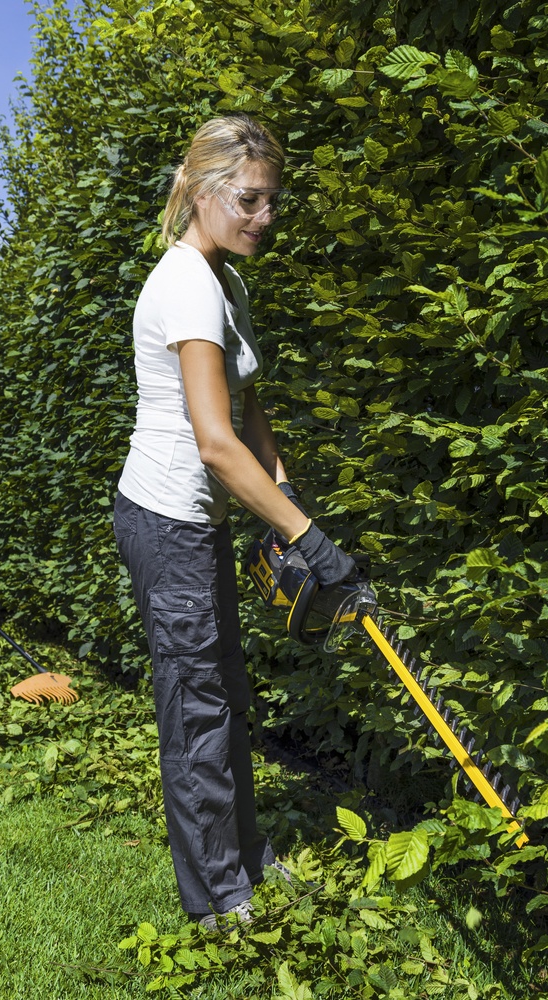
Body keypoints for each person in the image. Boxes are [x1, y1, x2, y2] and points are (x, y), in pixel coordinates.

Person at [112, 114, 357, 929]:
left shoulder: (225, 279)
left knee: (225, 694)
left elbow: (250, 409)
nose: (266, 218)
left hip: (202, 520)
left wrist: (285, 501)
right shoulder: (184, 281)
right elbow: (214, 444)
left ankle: (243, 859)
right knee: (197, 703)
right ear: (204, 191)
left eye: (272, 202)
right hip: (167, 516)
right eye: (250, 201)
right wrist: (305, 537)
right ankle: (219, 900)